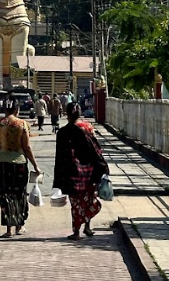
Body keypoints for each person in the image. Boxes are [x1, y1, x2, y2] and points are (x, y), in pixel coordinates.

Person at [53, 102, 109, 240]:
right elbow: (96, 149)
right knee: (89, 199)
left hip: (72, 171)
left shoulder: (63, 132)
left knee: (76, 203)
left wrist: (59, 176)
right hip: (89, 171)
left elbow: (60, 156)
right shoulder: (88, 128)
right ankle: (87, 228)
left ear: (67, 114)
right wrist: (102, 167)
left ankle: (77, 231)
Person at [0, 102, 40, 238]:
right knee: (19, 194)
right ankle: (19, 226)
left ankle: (8, 230)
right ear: (17, 110)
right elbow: (27, 148)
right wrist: (35, 166)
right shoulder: (22, 124)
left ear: (5, 109)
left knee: (5, 194)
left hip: (2, 163)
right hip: (19, 163)